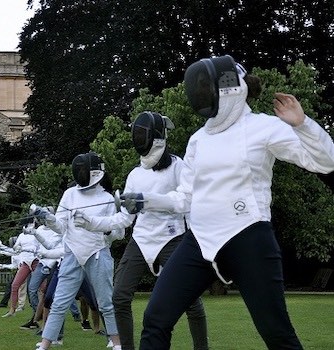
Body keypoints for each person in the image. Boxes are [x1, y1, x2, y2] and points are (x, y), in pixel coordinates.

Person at [119, 55, 334, 349]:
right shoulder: (198, 139)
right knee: (156, 318)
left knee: (277, 333)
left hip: (248, 236)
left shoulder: (264, 127)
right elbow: (184, 198)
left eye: (207, 86)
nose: (201, 93)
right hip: (199, 241)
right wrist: (145, 200)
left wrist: (303, 125)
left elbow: (324, 161)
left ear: (230, 87)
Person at [74, 111, 208, 350]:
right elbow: (125, 219)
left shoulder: (178, 166)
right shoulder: (135, 175)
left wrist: (197, 240)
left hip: (172, 237)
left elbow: (187, 204)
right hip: (141, 240)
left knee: (190, 299)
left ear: (156, 137)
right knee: (119, 297)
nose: (138, 139)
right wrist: (90, 222)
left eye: (141, 134)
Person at [32, 152, 124, 350]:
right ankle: (45, 344)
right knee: (59, 302)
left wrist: (102, 227)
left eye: (84, 170)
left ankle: (116, 343)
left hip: (98, 253)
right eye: (79, 169)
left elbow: (118, 233)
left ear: (94, 172)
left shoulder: (107, 198)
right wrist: (47, 217)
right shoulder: (70, 194)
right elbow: (61, 226)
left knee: (105, 302)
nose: (80, 173)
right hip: (72, 253)